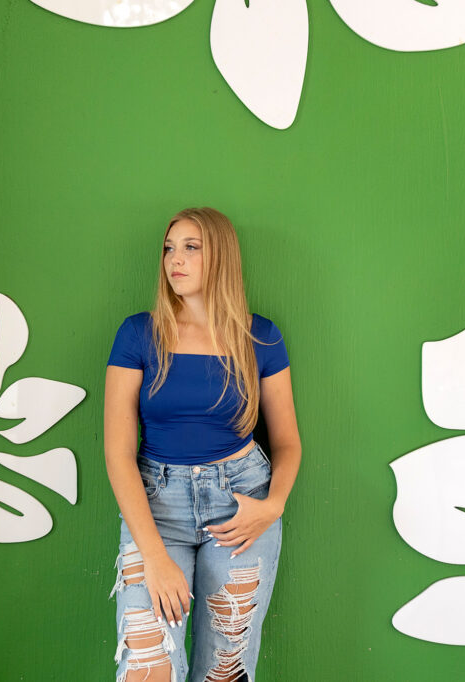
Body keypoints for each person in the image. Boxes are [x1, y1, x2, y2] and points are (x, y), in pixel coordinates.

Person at [104, 207, 301, 682]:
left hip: (241, 506)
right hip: (156, 506)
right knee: (147, 668)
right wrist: (153, 554)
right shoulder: (138, 334)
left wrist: (272, 506)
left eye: (192, 247)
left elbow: (288, 443)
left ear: (222, 257)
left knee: (224, 671)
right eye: (170, 248)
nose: (176, 259)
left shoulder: (261, 338)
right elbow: (117, 452)